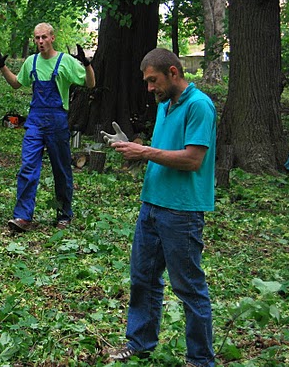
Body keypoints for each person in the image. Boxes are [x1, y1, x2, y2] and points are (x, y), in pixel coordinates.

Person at [103, 48, 216, 367]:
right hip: (152, 204)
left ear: (173, 72)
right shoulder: (166, 104)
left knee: (188, 287)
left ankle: (200, 359)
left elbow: (193, 160)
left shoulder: (199, 106)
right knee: (143, 277)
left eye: (153, 80)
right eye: (147, 82)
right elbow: (162, 153)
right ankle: (140, 342)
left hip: (182, 211)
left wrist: (145, 152)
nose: (150, 88)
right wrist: (132, 151)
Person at [0, 22, 95, 232]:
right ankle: (22, 217)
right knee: (28, 167)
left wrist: (88, 65)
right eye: (37, 38)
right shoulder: (31, 62)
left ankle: (64, 214)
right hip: (35, 122)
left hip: (57, 122)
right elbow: (16, 83)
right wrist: (2, 66)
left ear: (52, 38)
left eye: (44, 37)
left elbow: (90, 84)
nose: (40, 42)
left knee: (62, 170)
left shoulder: (65, 61)